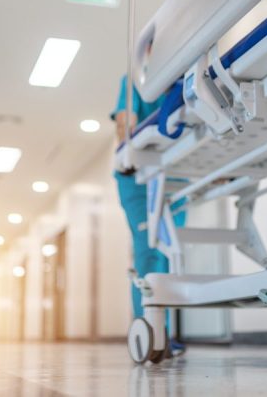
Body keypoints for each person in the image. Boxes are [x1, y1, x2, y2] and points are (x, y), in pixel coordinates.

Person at [111, 75, 186, 354]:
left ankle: (163, 328)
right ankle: (148, 326)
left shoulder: (188, 72)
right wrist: (125, 149)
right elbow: (125, 121)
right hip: (138, 177)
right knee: (148, 253)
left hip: (176, 176)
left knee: (170, 254)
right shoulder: (137, 79)